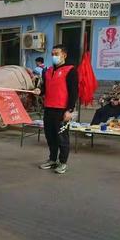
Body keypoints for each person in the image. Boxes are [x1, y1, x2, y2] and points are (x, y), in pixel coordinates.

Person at [39, 45, 78, 174]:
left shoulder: (70, 70)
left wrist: (69, 110)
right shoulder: (48, 71)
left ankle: (62, 162)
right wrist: (39, 91)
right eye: (52, 54)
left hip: (62, 111)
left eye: (56, 53)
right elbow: (44, 89)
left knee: (62, 138)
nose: (54, 56)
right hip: (49, 109)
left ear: (64, 55)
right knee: (50, 137)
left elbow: (73, 93)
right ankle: (52, 159)